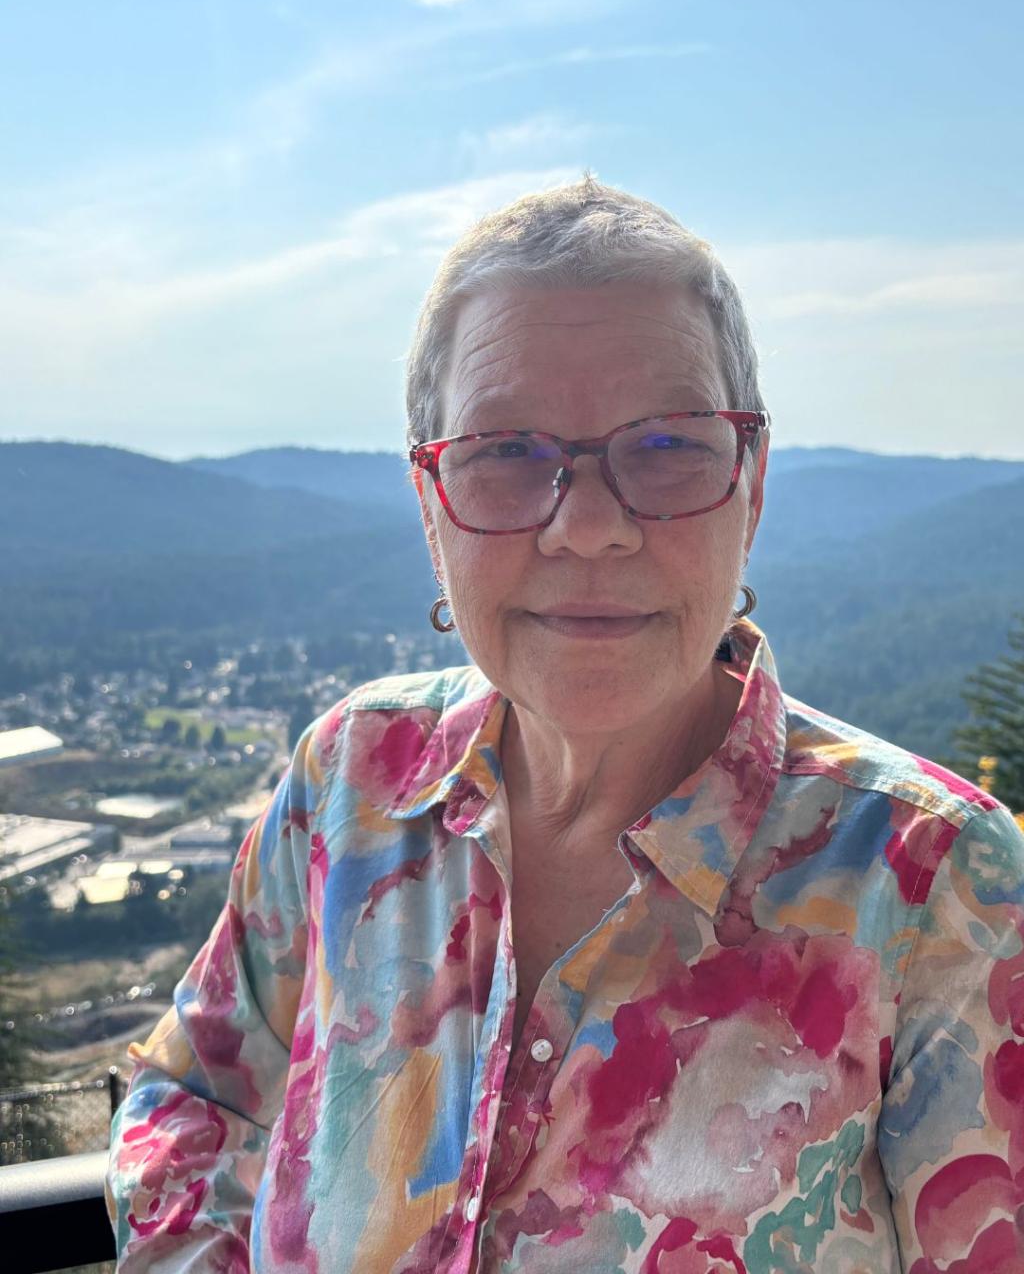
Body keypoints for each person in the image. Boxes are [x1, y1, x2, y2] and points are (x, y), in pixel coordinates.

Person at [106, 178, 1024, 1273]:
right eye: (504, 452)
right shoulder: (350, 782)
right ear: (429, 503)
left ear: (753, 485)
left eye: (669, 446)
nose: (588, 526)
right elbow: (192, 1095)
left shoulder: (939, 887)